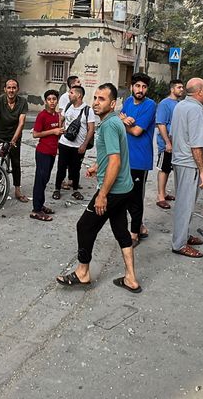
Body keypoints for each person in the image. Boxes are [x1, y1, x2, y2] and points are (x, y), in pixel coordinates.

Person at [55, 83, 141, 294]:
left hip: (112, 191)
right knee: (121, 230)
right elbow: (113, 155)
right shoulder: (112, 122)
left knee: (84, 226)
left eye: (101, 99)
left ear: (112, 104)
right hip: (124, 189)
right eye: (95, 97)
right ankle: (131, 278)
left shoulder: (110, 125)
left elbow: (115, 162)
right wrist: (96, 166)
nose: (96, 102)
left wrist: (102, 195)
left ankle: (83, 272)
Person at [169, 78, 203, 258]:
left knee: (185, 201)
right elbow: (196, 144)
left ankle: (184, 235)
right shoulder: (194, 110)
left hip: (181, 159)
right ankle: (179, 244)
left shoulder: (181, 106)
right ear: (200, 91)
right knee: (185, 204)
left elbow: (174, 134)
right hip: (190, 163)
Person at [119, 73, 156, 243]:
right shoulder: (127, 101)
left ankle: (134, 233)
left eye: (144, 87)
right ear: (132, 87)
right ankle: (139, 224)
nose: (140, 90)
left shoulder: (150, 105)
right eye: (137, 86)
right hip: (124, 157)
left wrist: (124, 121)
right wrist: (124, 119)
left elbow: (136, 131)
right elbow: (120, 118)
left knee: (135, 198)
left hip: (140, 159)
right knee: (124, 195)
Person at [54, 85, 98, 201]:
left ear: (79, 95)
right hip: (64, 143)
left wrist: (84, 145)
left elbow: (91, 129)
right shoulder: (68, 106)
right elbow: (61, 118)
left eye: (71, 92)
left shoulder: (88, 110)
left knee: (75, 169)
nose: (69, 94)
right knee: (61, 167)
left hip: (78, 146)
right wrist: (60, 130)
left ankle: (75, 190)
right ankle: (57, 189)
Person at [31, 89, 64, 221]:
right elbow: (35, 134)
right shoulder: (42, 115)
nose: (52, 102)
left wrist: (60, 131)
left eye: (54, 99)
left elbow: (56, 133)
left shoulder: (57, 115)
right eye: (49, 99)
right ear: (46, 101)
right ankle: (36, 210)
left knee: (45, 180)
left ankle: (40, 205)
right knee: (40, 180)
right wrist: (53, 131)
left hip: (52, 152)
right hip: (42, 152)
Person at [155, 79, 184, 210]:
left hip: (177, 144)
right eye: (179, 87)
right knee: (164, 168)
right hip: (166, 144)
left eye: (182, 87)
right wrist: (167, 142)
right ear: (172, 89)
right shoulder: (164, 104)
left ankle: (165, 193)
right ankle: (160, 196)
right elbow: (161, 124)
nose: (181, 89)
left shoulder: (179, 103)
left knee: (168, 169)